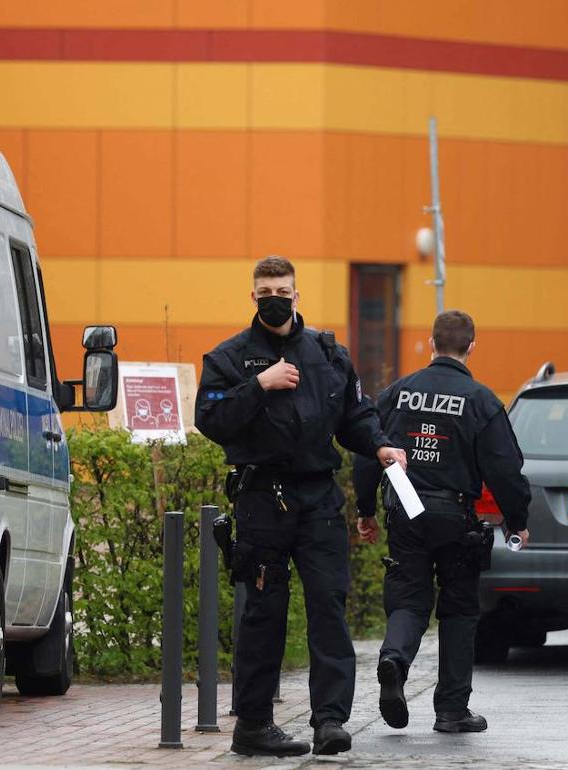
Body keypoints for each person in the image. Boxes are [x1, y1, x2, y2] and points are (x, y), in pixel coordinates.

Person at [195, 255, 407, 758]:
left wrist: (378, 445)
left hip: (318, 498)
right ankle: (253, 725)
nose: (275, 299)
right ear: (253, 296)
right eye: (266, 292)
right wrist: (259, 385)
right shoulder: (229, 358)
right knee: (263, 613)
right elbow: (210, 418)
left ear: (296, 295)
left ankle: (330, 720)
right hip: (262, 498)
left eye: (283, 292)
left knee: (328, 607)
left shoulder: (327, 354)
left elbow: (355, 415)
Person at [352, 310, 531, 734]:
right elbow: (505, 468)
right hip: (455, 517)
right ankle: (451, 710)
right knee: (459, 609)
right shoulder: (482, 401)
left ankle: (394, 659)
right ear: (472, 346)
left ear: (432, 344)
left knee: (408, 600)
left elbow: (367, 451)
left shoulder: (396, 394)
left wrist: (365, 509)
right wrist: (516, 519)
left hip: (406, 510)